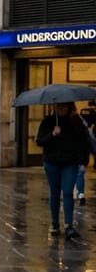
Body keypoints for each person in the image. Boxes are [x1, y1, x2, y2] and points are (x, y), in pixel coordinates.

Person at [35, 101, 89, 239]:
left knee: (67, 192)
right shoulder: (48, 121)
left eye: (64, 106)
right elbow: (40, 141)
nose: (61, 109)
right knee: (54, 193)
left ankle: (68, 225)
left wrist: (83, 161)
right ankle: (54, 224)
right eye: (58, 106)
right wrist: (53, 134)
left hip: (69, 162)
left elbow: (83, 142)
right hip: (51, 162)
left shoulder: (76, 123)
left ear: (69, 107)